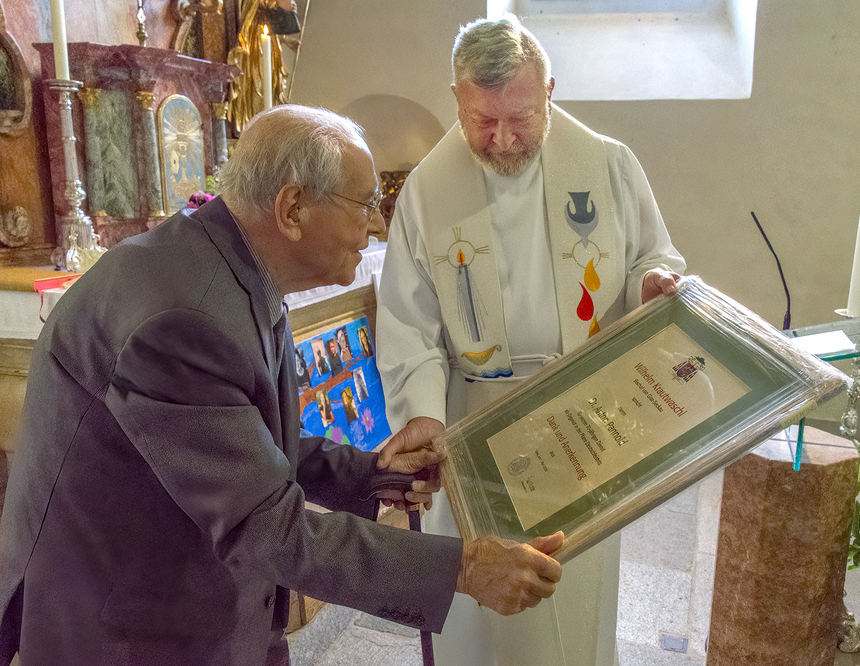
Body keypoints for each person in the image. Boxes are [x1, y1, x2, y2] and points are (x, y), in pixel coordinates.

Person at [0, 105, 565, 666]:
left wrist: (372, 476)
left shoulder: (226, 264)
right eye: (365, 203)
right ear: (293, 208)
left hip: (188, 597)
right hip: (128, 626)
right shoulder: (182, 318)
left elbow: (247, 441)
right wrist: (463, 568)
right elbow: (266, 527)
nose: (375, 225)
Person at [376, 16, 686, 666]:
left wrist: (650, 286)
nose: (502, 137)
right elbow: (409, 323)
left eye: (519, 117)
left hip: (583, 410)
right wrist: (424, 415)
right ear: (457, 98)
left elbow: (649, 258)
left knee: (574, 588)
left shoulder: (608, 165)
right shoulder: (428, 190)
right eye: (482, 120)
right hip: (473, 420)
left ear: (549, 90)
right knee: (485, 612)